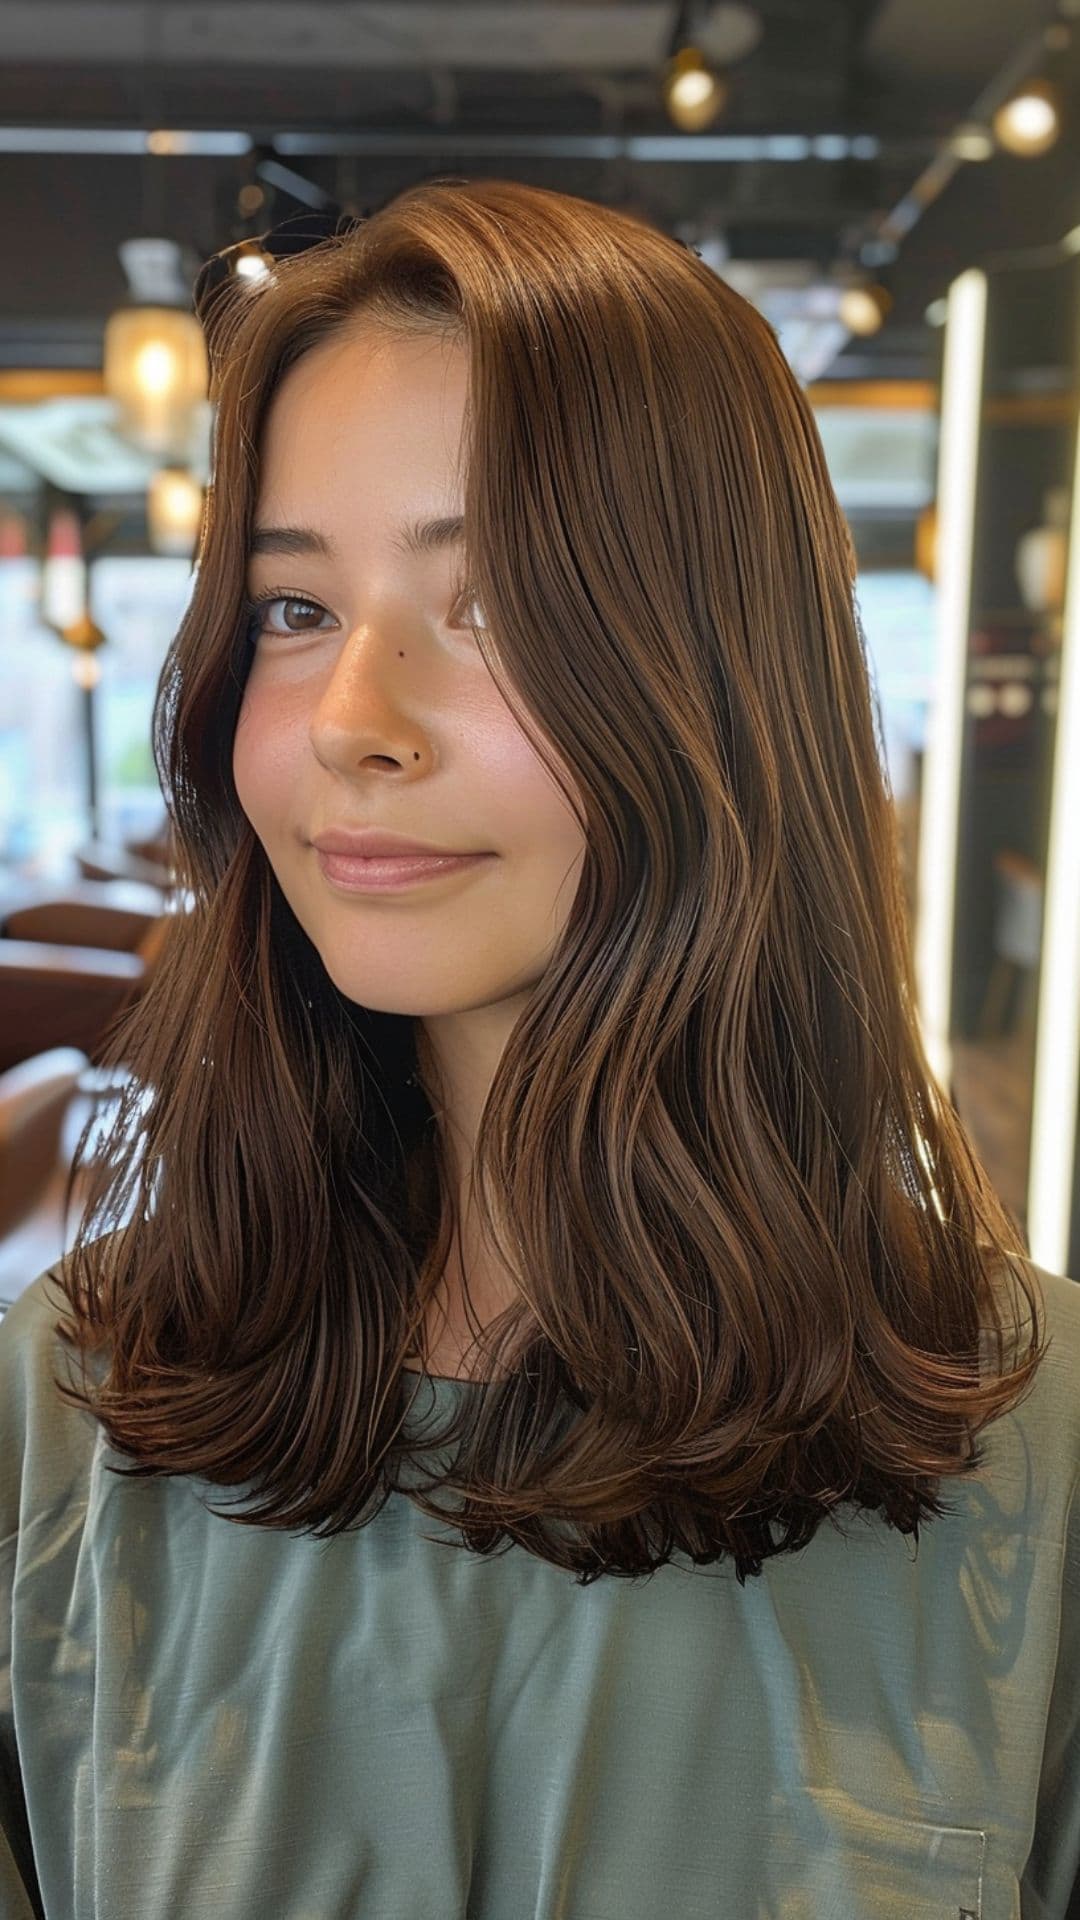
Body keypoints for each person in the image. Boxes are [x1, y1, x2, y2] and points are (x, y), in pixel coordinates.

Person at [1, 175, 1077, 1919]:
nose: (355, 719)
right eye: (294, 610)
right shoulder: (67, 1420)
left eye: (489, 601)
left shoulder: (1040, 1458)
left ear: (722, 672)